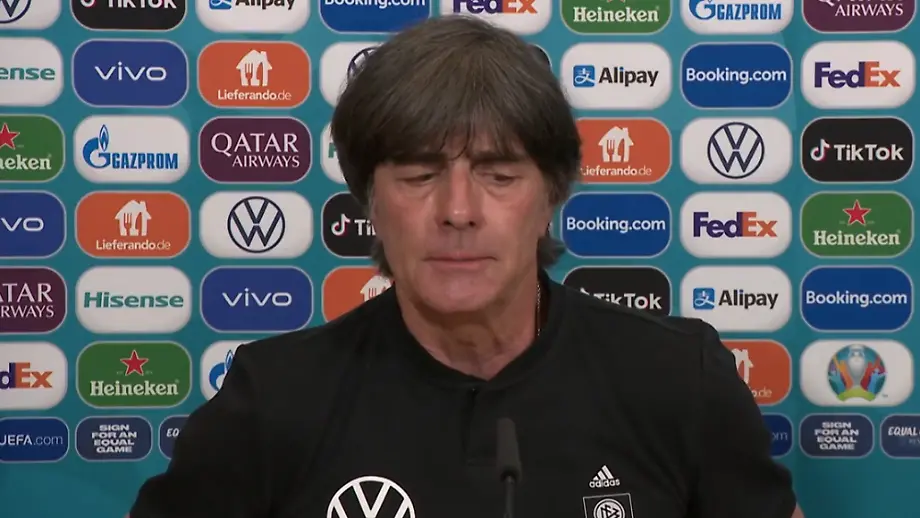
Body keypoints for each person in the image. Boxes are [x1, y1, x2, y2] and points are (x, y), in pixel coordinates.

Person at [129, 16, 805, 518]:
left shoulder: (677, 378)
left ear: (550, 198)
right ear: (370, 202)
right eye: (419, 175)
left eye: (498, 175)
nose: (458, 211)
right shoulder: (271, 400)